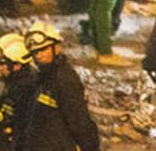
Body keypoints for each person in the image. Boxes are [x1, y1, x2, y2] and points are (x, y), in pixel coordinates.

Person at [22, 22, 100, 151]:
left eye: (43, 50)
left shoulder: (64, 79)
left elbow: (79, 119)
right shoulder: (43, 76)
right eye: (35, 52)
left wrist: (90, 146)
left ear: (57, 48)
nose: (38, 56)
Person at [0, 33, 37, 151]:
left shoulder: (25, 90)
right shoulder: (15, 83)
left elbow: (21, 128)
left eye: (3, 63)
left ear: (17, 65)